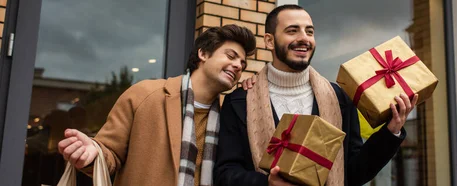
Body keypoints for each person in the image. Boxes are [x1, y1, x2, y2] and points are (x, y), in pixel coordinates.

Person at [215, 5, 418, 186]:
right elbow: (225, 173)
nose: (304, 38)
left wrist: (391, 131)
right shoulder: (240, 100)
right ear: (269, 41)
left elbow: (354, 174)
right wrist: (266, 182)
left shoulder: (340, 98)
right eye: (292, 30)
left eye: (309, 31)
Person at [57, 25, 256, 186]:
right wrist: (92, 153)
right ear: (203, 54)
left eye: (242, 64)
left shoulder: (229, 115)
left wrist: (259, 91)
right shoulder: (145, 94)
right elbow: (110, 152)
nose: (239, 66)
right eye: (231, 56)